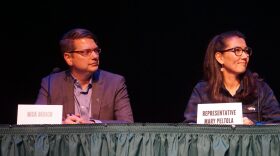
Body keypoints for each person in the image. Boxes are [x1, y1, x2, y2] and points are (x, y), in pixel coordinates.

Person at [35, 28, 134, 124]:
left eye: (96, 50)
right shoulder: (50, 83)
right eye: (86, 52)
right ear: (68, 58)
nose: (95, 56)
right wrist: (63, 125)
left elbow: (127, 123)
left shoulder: (115, 83)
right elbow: (35, 123)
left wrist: (93, 123)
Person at [184, 30, 280, 125]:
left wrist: (254, 127)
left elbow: (277, 124)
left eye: (246, 51)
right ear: (220, 58)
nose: (245, 56)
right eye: (237, 50)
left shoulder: (260, 89)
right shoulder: (202, 91)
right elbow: (190, 129)